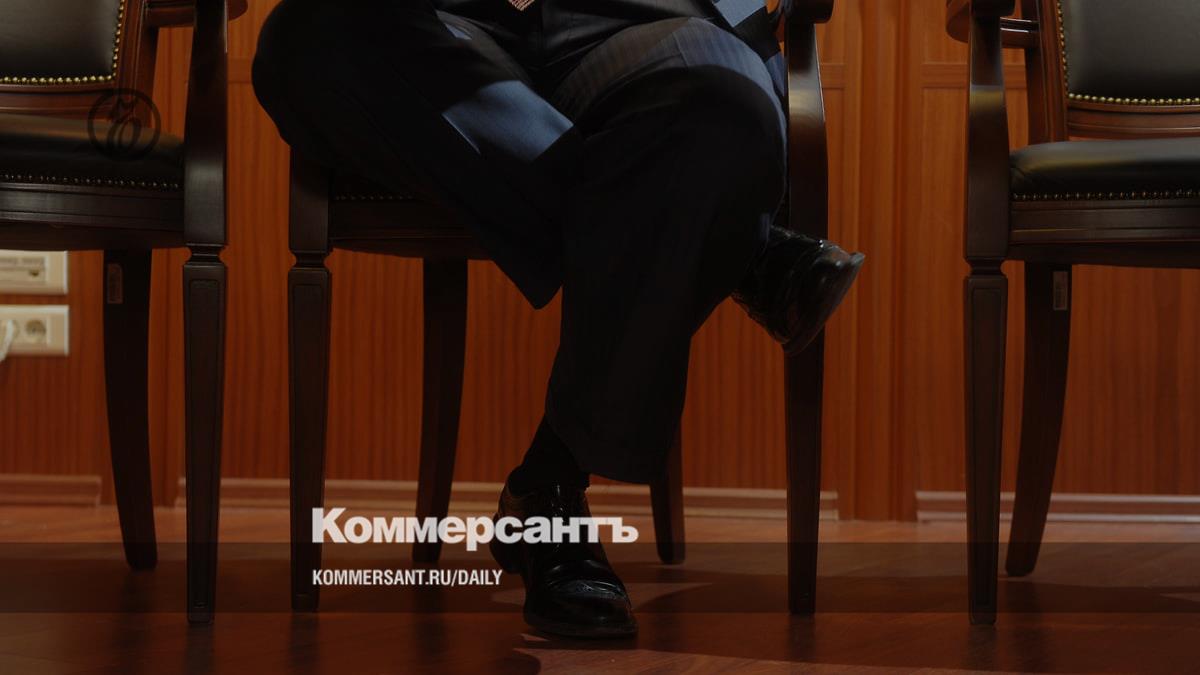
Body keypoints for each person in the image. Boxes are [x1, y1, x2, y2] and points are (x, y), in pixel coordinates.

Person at [252, 0, 863, 639]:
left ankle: (550, 483)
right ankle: (744, 253)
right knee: (308, 38)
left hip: (649, 21)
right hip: (446, 23)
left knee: (728, 104)